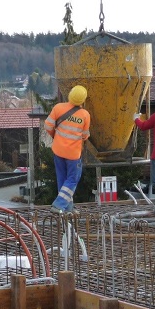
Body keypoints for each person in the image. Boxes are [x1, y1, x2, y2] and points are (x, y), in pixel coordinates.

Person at [44, 85, 91, 215]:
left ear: (70, 94)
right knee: (73, 179)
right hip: (73, 154)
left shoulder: (58, 108)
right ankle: (59, 205)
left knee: (62, 179)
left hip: (58, 151)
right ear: (83, 100)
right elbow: (85, 136)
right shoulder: (85, 115)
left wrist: (56, 137)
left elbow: (47, 126)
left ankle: (67, 208)